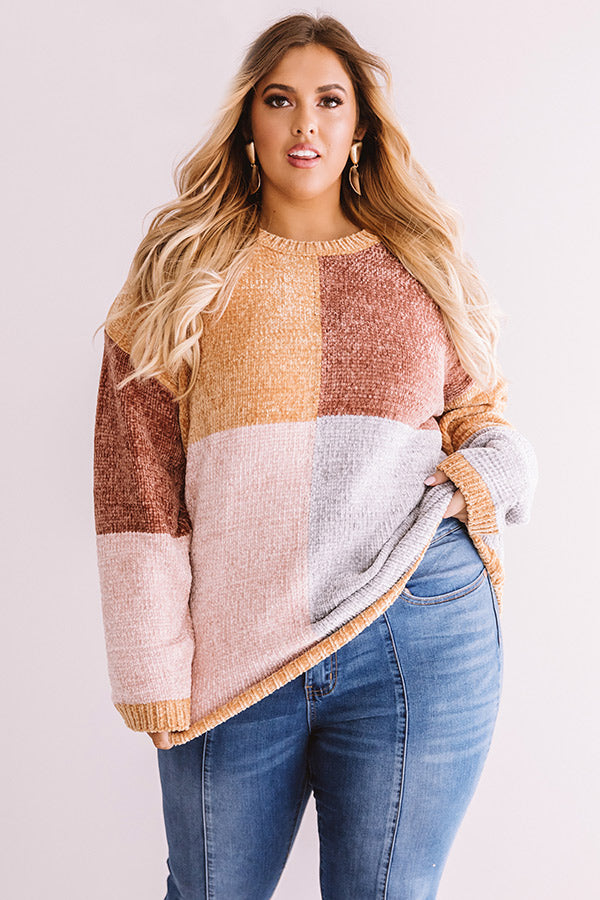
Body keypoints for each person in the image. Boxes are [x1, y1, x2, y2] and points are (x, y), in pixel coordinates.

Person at [92, 12, 539, 899]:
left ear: (360, 124)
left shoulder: (422, 263)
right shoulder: (180, 273)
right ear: (247, 121)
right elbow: (135, 477)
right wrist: (150, 664)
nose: (306, 124)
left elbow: (481, 418)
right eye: (280, 100)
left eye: (330, 101)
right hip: (238, 651)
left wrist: (484, 478)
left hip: (417, 624)